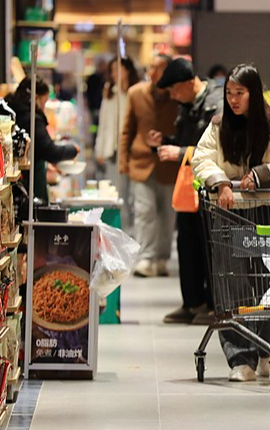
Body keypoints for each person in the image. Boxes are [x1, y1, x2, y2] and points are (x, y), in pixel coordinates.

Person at [192, 63, 270, 382]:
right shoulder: (218, 125)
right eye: (229, 93)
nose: (233, 100)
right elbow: (202, 159)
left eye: (239, 93)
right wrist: (221, 182)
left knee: (269, 284)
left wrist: (261, 174)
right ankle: (240, 358)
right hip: (228, 213)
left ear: (253, 94)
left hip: (268, 212)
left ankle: (266, 349)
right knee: (233, 285)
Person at [148, 57, 224, 325]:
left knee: (210, 247)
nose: (172, 96)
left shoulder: (217, 102)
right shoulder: (187, 105)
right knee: (187, 244)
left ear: (190, 83)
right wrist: (166, 143)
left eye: (174, 90)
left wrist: (179, 151)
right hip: (189, 189)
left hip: (213, 187)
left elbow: (216, 148)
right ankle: (192, 303)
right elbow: (186, 141)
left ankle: (217, 306)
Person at [120, 54, 179, 280]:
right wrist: (123, 160)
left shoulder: (176, 96)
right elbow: (127, 129)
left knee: (167, 215)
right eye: (152, 67)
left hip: (169, 163)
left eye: (160, 68)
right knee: (144, 212)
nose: (154, 72)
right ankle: (146, 257)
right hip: (141, 162)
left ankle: (162, 259)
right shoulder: (136, 93)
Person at [5, 77, 79, 203]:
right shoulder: (32, 118)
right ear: (35, 98)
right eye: (43, 103)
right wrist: (73, 149)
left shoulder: (10, 110)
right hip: (30, 184)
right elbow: (49, 150)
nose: (43, 108)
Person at [95, 57, 140, 181]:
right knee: (114, 186)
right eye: (112, 70)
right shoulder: (109, 93)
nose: (114, 73)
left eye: (118, 69)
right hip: (112, 148)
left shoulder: (135, 92)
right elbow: (103, 123)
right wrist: (100, 148)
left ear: (127, 70)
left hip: (131, 148)